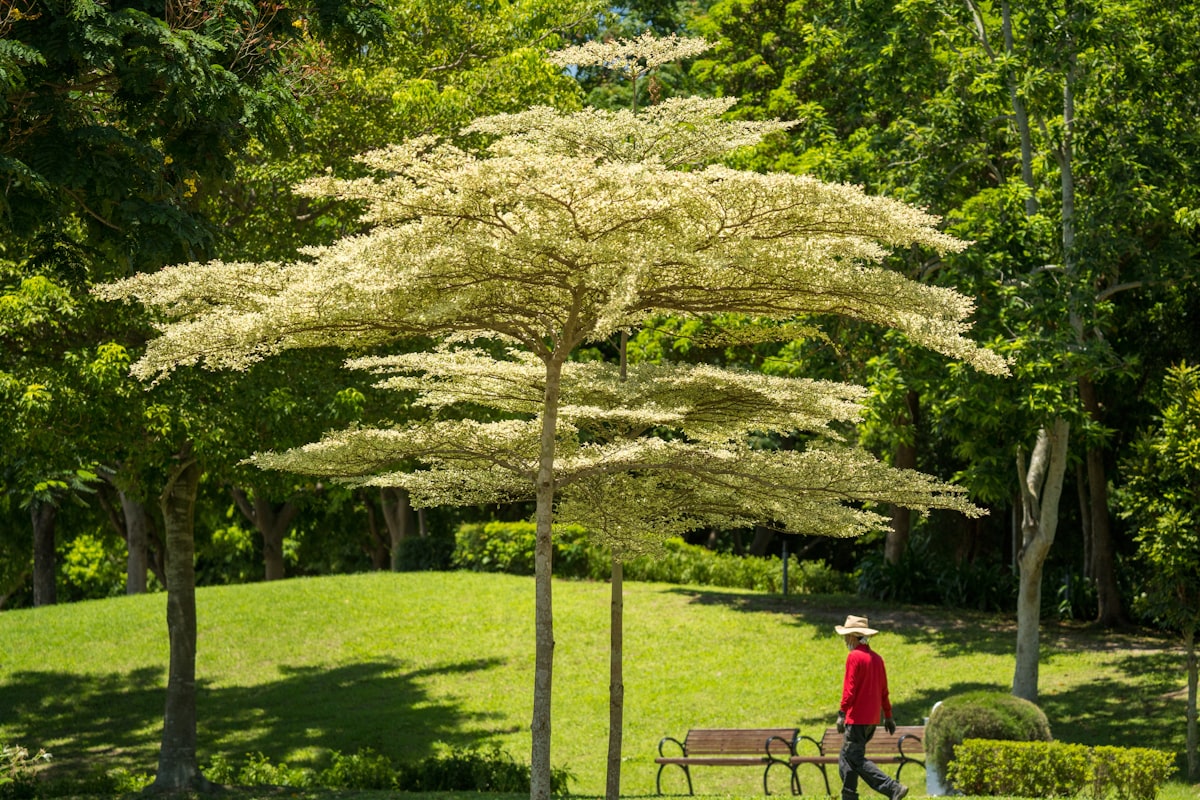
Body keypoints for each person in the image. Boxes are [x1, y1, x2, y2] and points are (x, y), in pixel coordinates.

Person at [834, 614, 908, 800]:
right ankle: (849, 795)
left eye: (846, 636)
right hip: (872, 721)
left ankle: (892, 788)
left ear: (853, 637)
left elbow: (849, 690)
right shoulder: (877, 659)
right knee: (846, 757)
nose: (845, 641)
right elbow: (884, 691)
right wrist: (888, 716)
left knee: (854, 758)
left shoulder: (854, 657)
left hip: (856, 718)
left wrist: (842, 713)